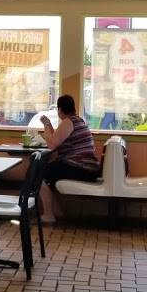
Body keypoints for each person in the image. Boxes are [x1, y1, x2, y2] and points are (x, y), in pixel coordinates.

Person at [38, 94, 100, 223]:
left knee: (37, 174)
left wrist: (47, 124)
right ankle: (57, 211)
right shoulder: (78, 120)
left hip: (81, 168)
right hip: (88, 168)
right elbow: (56, 139)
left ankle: (48, 215)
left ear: (60, 109)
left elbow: (52, 144)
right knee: (51, 173)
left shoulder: (68, 122)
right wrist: (49, 126)